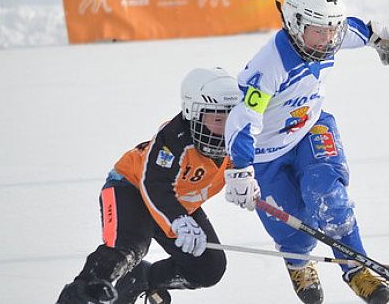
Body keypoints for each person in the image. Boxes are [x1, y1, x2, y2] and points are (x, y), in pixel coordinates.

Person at [223, 0, 389, 304]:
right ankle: (297, 261)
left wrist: (377, 35)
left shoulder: (327, 36)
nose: (328, 40)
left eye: (332, 30)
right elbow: (243, 119)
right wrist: (239, 169)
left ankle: (357, 267)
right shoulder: (268, 66)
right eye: (319, 31)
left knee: (328, 197)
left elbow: (353, 29)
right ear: (296, 24)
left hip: (311, 129)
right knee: (292, 227)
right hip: (265, 154)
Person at [56, 68, 258, 304]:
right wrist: (178, 220)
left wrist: (251, 183)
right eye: (216, 120)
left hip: (176, 204)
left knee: (209, 266)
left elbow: (260, 165)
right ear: (193, 113)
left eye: (231, 118)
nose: (226, 129)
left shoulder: (239, 141)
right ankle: (81, 294)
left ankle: (142, 279)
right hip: (130, 190)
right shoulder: (172, 139)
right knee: (128, 249)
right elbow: (154, 186)